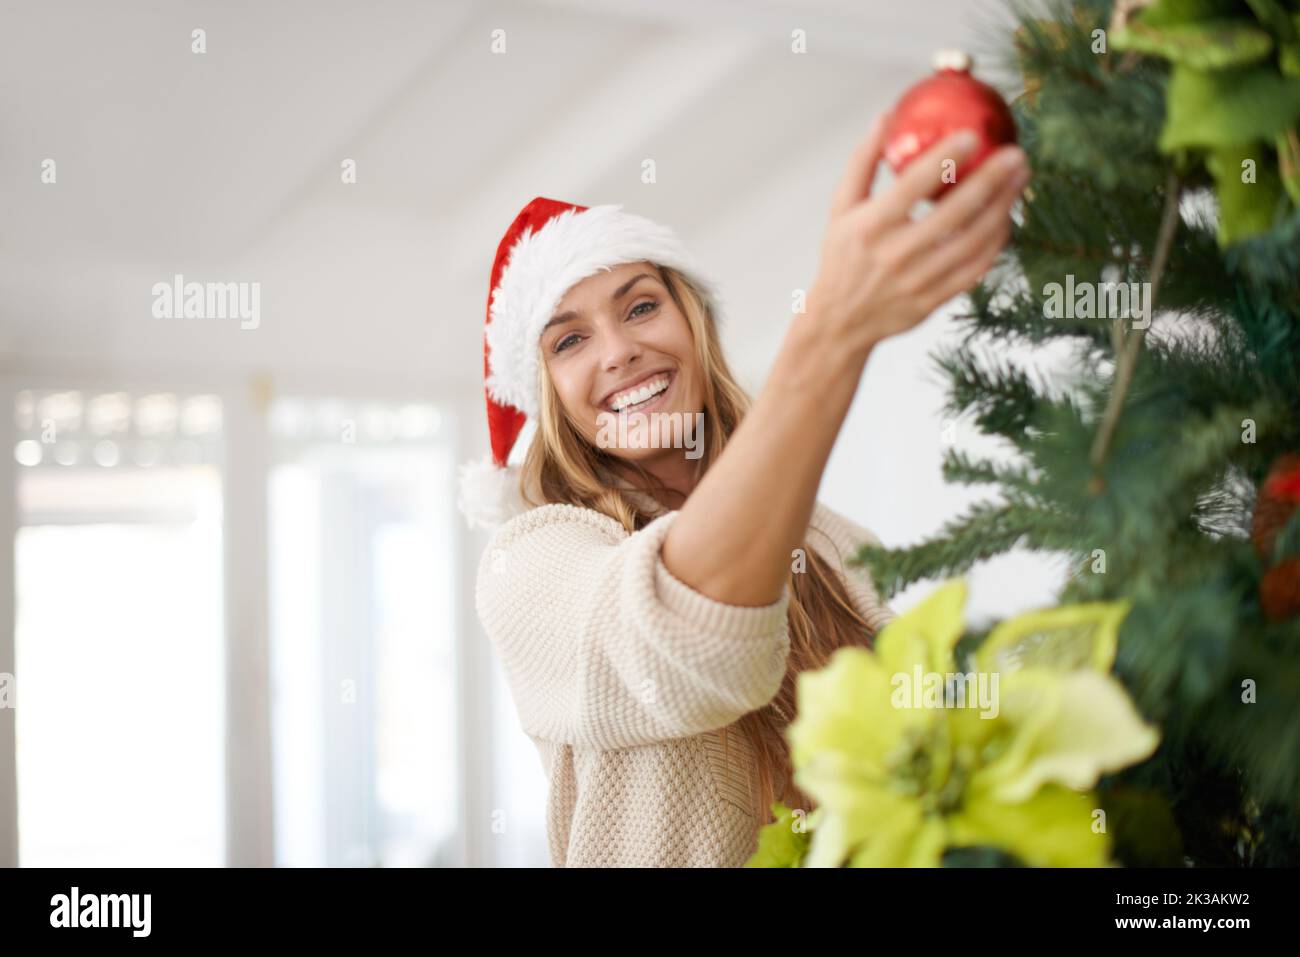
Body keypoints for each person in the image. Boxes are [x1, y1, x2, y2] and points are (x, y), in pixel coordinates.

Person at [457, 115, 1031, 867]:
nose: (621, 349)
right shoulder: (529, 565)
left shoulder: (836, 540)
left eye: (640, 306)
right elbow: (690, 642)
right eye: (570, 340)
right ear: (547, 394)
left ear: (692, 324)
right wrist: (832, 331)